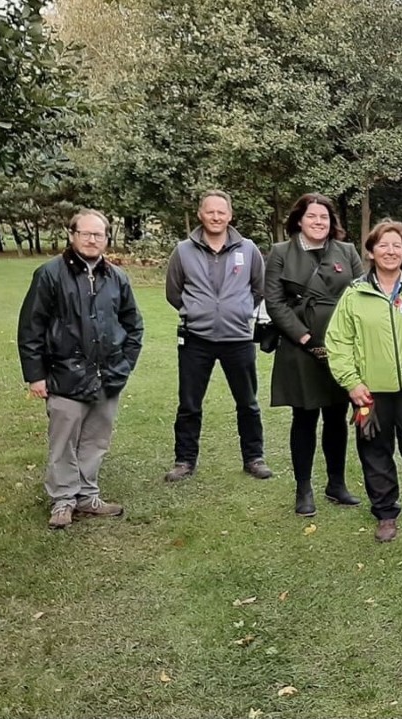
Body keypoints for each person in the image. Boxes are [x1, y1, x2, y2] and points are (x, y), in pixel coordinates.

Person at [325, 220, 402, 543]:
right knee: (375, 453)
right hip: (370, 394)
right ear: (370, 251)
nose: (390, 251)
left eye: (397, 245)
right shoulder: (355, 294)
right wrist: (352, 383)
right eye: (383, 245)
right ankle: (385, 514)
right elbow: (337, 342)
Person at [17, 209, 144, 529]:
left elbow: (134, 326)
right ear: (72, 235)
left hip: (108, 376)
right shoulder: (49, 274)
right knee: (63, 441)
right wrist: (35, 375)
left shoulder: (117, 277)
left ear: (106, 238)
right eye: (85, 233)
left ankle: (87, 496)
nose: (92, 239)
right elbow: (32, 327)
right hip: (64, 375)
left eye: (98, 234)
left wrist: (124, 365)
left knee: (95, 440)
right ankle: (63, 499)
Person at [265, 193, 365, 517]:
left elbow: (361, 294)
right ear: (299, 220)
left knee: (336, 417)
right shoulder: (281, 252)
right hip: (299, 349)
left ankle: (336, 484)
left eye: (324, 217)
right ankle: (303, 487)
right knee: (305, 418)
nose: (318, 222)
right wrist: (304, 337)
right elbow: (274, 301)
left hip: (341, 350)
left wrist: (347, 341)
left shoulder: (347, 252)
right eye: (312, 217)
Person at [164, 190, 271, 482]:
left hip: (237, 338)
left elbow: (259, 288)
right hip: (195, 339)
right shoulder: (183, 250)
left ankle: (254, 457)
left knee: (247, 402)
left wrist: (239, 309)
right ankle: (184, 461)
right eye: (210, 212)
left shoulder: (248, 249)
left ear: (230, 215)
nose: (215, 217)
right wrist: (197, 310)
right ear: (201, 214)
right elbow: (174, 292)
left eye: (221, 212)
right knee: (189, 403)